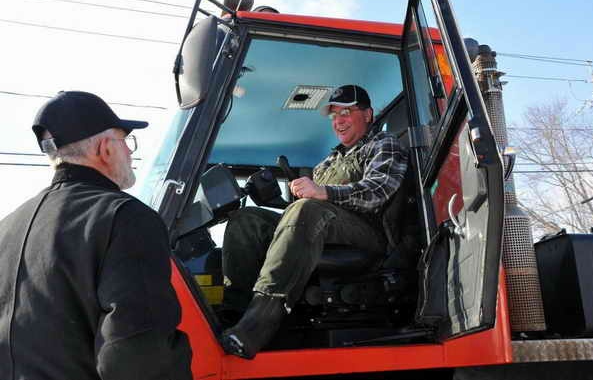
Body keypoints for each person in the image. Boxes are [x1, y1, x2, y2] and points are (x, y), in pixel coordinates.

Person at [0, 91, 193, 380]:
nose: (129, 152)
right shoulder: (126, 218)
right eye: (125, 141)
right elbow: (137, 352)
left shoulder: (8, 227)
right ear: (104, 148)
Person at [221, 84, 408, 359]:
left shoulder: (383, 144)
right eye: (334, 115)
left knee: (307, 210)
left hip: (368, 234)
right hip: (325, 226)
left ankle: (259, 324)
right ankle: (235, 317)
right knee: (247, 220)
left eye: (346, 112)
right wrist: (280, 203)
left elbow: (377, 192)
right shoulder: (327, 163)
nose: (339, 121)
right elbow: (302, 218)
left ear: (368, 115)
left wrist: (322, 191)